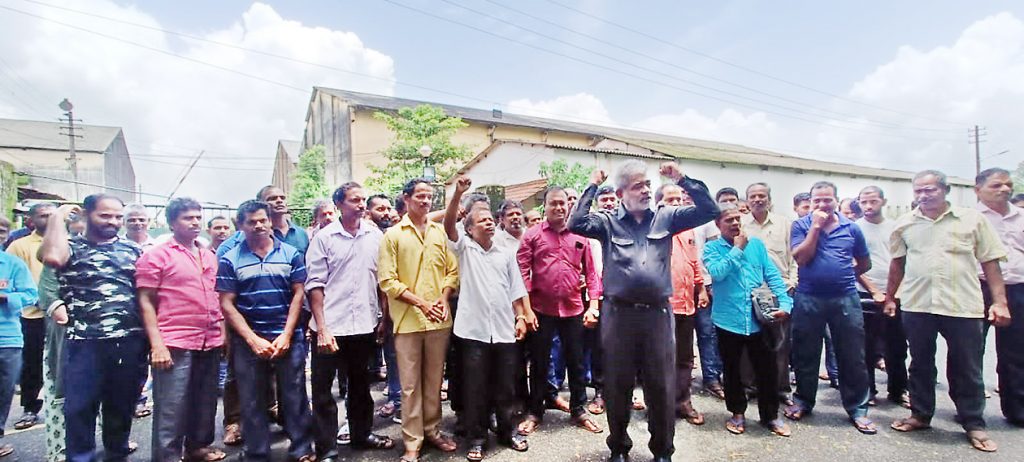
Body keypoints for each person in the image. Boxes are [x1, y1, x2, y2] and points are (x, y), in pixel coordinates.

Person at [570, 160, 718, 462]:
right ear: (622, 191)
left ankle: (663, 451)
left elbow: (709, 211)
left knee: (661, 386)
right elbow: (576, 224)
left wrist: (682, 178)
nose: (646, 190)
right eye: (639, 186)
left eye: (648, 185)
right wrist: (593, 185)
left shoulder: (667, 217)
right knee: (617, 384)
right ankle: (619, 448)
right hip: (618, 316)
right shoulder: (607, 222)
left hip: (657, 317)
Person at [886, 170, 1010, 452]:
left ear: (945, 190)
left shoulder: (972, 220)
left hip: (962, 305)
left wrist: (1000, 302)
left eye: (929, 190)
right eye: (918, 190)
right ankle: (920, 414)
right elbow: (897, 264)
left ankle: (974, 423)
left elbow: (991, 262)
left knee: (967, 366)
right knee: (920, 363)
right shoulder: (904, 224)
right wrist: (891, 297)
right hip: (918, 304)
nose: (923, 195)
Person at [40, 195, 147, 461]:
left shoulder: (133, 250)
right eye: (105, 215)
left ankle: (116, 453)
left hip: (129, 342)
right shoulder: (70, 248)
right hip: (85, 343)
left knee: (121, 409)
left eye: (117, 217)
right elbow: (52, 257)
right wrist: (57, 217)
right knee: (79, 409)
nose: (113, 222)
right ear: (87, 215)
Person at [444, 176, 534, 461]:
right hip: (474, 333)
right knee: (475, 388)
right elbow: (447, 225)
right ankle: (477, 438)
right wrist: (458, 194)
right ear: (469, 229)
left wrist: (521, 316)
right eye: (479, 220)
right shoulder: (465, 249)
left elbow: (516, 289)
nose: (487, 222)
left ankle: (507, 432)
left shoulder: (506, 253)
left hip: (504, 331)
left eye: (489, 218)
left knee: (505, 386)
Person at [217, 200, 314, 462]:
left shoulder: (291, 254)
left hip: (287, 338)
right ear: (241, 226)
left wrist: (286, 334)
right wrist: (251, 339)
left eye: (263, 220)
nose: (259, 226)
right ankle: (257, 453)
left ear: (270, 221)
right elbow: (226, 302)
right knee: (251, 400)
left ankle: (302, 449)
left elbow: (298, 294)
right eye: (251, 222)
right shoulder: (230, 259)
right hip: (248, 342)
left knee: (294, 396)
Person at [305, 183, 394, 461]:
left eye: (362, 200)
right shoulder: (325, 238)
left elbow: (381, 280)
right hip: (330, 327)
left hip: (364, 326)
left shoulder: (374, 236)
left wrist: (382, 317)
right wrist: (321, 327)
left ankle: (361, 434)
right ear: (339, 204)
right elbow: (315, 285)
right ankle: (327, 449)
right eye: (354, 200)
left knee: (360, 387)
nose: (361, 204)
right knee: (323, 393)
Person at [136, 198, 226, 462]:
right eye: (188, 217)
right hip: (174, 340)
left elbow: (217, 296)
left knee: (205, 401)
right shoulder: (156, 255)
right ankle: (167, 456)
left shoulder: (208, 255)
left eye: (198, 217)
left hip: (209, 339)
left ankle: (197, 447)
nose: (195, 222)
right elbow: (145, 300)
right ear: (172, 222)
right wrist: (157, 344)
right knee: (171, 407)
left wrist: (222, 335)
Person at [378, 178, 460, 462]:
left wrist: (444, 296)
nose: (426, 201)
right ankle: (412, 441)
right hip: (407, 322)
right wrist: (421, 303)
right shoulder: (393, 235)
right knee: (410, 385)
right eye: (420, 196)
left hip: (439, 320)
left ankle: (433, 430)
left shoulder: (439, 232)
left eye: (429, 197)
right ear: (406, 198)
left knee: (434, 380)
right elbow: (387, 281)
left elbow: (452, 271)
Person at [785, 181, 876, 434]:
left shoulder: (851, 228)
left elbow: (864, 263)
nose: (822, 205)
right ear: (811, 202)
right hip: (808, 297)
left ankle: (858, 409)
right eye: (817, 201)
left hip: (845, 298)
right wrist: (815, 226)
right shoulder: (801, 225)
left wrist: (843, 274)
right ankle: (803, 400)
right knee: (805, 352)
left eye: (827, 200)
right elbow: (801, 257)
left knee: (852, 355)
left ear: (836, 200)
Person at [517, 186, 603, 436]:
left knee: (576, 362)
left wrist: (593, 306)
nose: (559, 207)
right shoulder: (532, 235)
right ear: (546, 206)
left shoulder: (580, 236)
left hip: (574, 309)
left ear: (569, 206)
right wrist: (526, 309)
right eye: (553, 203)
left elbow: (592, 274)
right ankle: (535, 411)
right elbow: (521, 272)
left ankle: (579, 409)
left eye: (563, 203)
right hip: (540, 310)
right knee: (540, 363)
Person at [704, 203, 792, 437]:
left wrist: (785, 304)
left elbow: (772, 275)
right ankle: (737, 413)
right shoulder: (711, 249)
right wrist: (737, 250)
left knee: (767, 370)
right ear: (717, 224)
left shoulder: (757, 246)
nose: (734, 223)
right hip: (727, 321)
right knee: (732, 370)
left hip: (757, 319)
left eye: (737, 219)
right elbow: (717, 273)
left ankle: (770, 416)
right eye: (728, 220)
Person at [974, 168, 1024, 425]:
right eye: (996, 185)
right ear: (978, 190)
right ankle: (970, 409)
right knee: (971, 350)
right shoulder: (970, 219)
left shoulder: (1021, 217)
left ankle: (1017, 409)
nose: (1004, 189)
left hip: (1018, 288)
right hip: (978, 287)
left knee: (1016, 351)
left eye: (1007, 185)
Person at [742, 183, 797, 406]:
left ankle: (780, 388)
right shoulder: (741, 225)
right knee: (748, 341)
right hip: (749, 291)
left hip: (778, 290)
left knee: (780, 343)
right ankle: (748, 385)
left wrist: (792, 282)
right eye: (753, 196)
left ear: (769, 199)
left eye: (762, 196)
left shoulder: (785, 224)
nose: (757, 199)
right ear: (746, 201)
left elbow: (794, 257)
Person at [854, 186, 909, 408]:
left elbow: (904, 261)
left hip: (894, 295)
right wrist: (874, 291)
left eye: (873, 201)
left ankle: (899, 390)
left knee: (896, 346)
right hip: (864, 292)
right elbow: (852, 263)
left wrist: (891, 295)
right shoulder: (854, 228)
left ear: (883, 201)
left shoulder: (896, 227)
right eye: (864, 202)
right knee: (865, 346)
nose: (868, 206)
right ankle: (868, 390)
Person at [658, 184, 708, 426]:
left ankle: (683, 401)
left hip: (687, 304)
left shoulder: (689, 230)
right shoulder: (654, 228)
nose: (676, 203)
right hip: (661, 306)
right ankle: (660, 403)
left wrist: (701, 289)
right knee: (660, 357)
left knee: (685, 357)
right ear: (659, 204)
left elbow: (694, 260)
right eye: (670, 199)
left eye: (679, 199)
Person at [5, 202, 53, 431]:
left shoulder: (72, 242)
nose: (49, 219)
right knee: (31, 364)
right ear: (32, 220)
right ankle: (30, 409)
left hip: (64, 315)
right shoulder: (19, 246)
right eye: (43, 216)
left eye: (52, 215)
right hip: (31, 315)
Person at [0, 229, 38, 458]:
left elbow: (30, 295)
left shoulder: (12, 264)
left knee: (4, 391)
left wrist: (6, 297)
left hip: (7, 338)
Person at [218, 186, 310, 258]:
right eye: (272, 198)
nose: (279, 201)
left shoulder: (301, 234)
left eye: (282, 198)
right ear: (260, 204)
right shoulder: (243, 239)